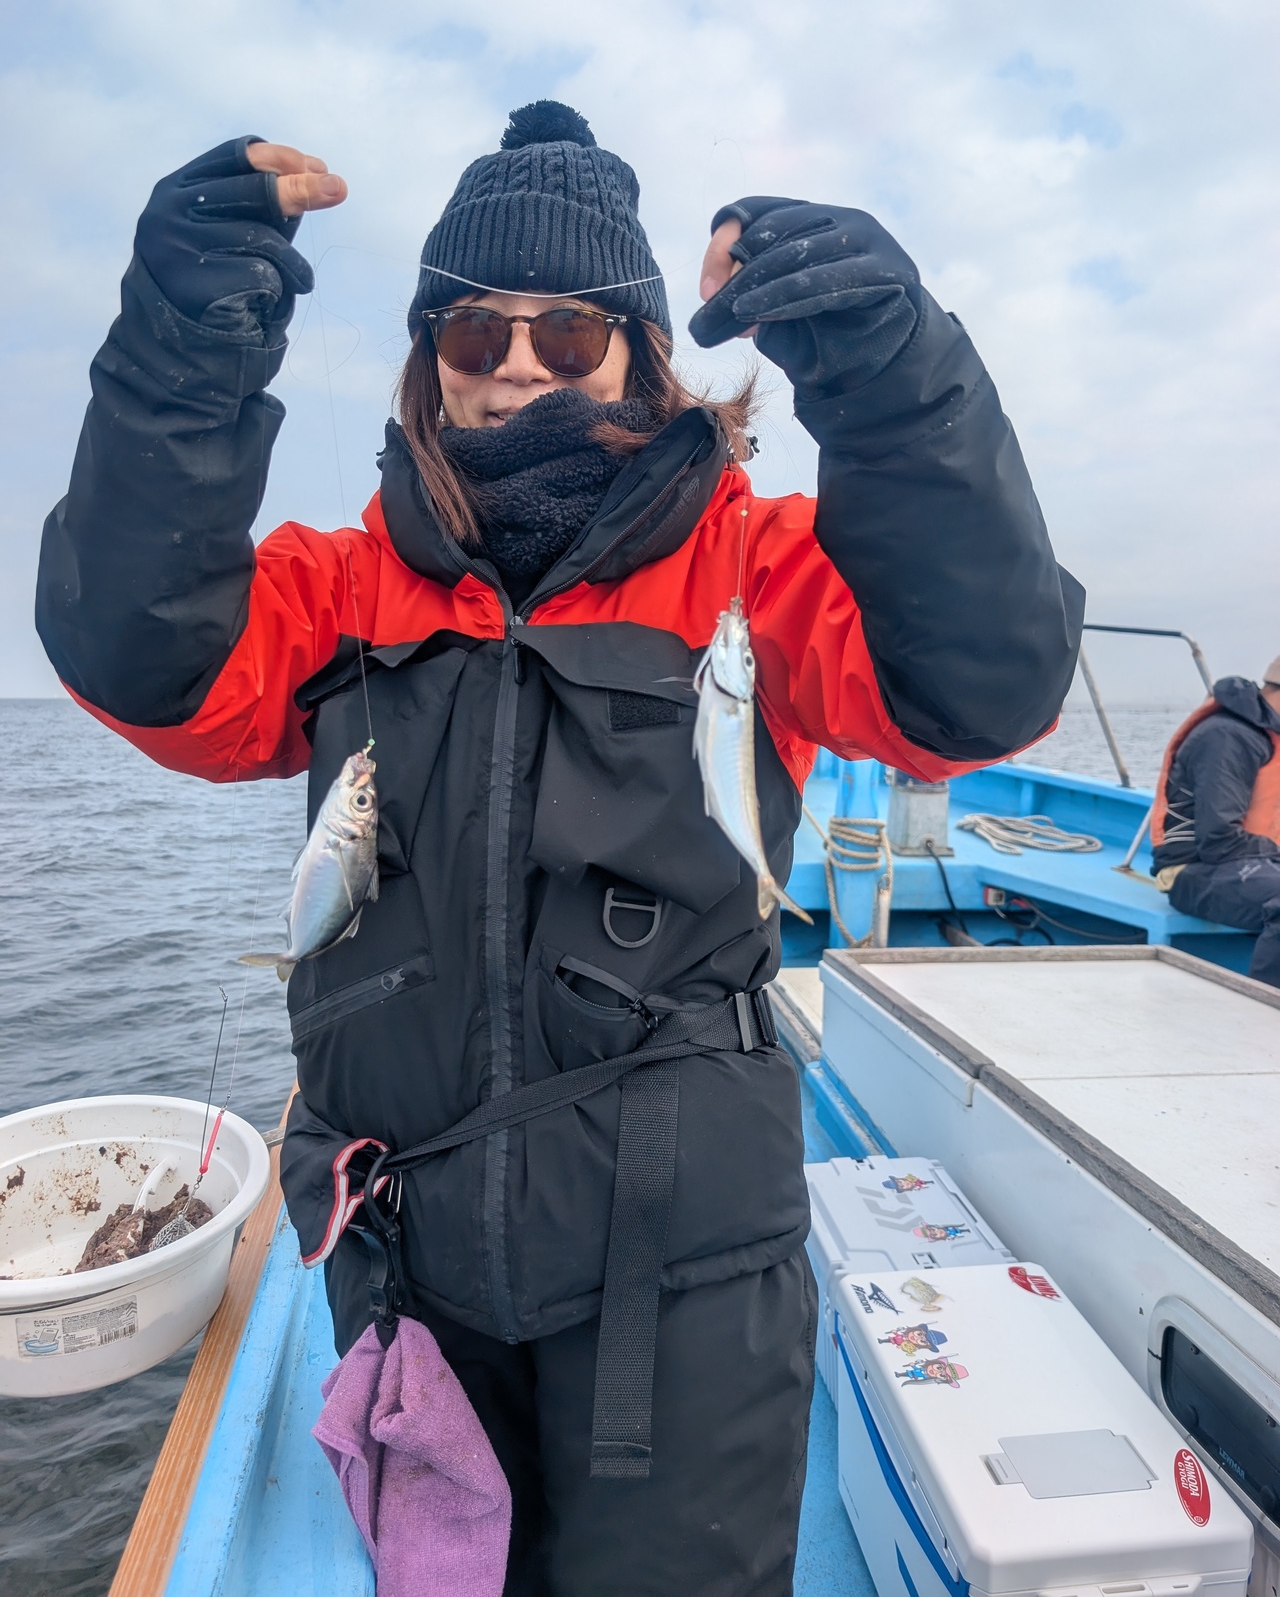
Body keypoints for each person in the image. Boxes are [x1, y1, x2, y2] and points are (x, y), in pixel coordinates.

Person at [36, 101, 1082, 1595]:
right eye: (476, 331)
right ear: (432, 361)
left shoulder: (752, 565)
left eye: (572, 331)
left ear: (641, 355)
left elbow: (978, 686)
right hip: (406, 1259)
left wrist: (893, 378)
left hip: (688, 1274)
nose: (520, 362)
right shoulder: (338, 587)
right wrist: (179, 353)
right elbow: (142, 660)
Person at [1151, 658, 1280, 986]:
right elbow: (1219, 841)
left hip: (1253, 860)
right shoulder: (1227, 737)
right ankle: (1265, 1007)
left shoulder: (1265, 733)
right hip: (1194, 869)